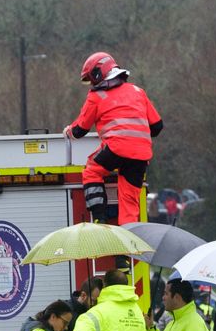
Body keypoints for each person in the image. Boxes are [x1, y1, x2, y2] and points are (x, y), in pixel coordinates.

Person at [63, 51, 163, 226]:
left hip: (116, 148)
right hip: (141, 155)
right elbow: (157, 127)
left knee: (92, 171)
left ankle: (100, 218)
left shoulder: (96, 96)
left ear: (99, 73)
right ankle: (125, 253)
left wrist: (68, 131)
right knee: (129, 206)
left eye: (92, 78)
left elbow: (80, 130)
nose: (92, 83)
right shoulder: (138, 91)